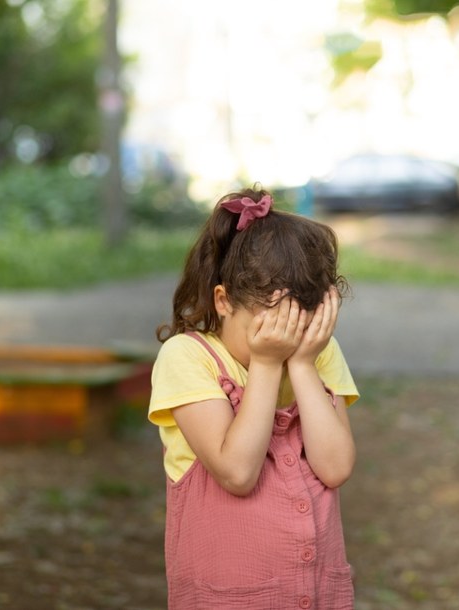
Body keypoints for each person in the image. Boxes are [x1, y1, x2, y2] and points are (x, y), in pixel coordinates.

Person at [148, 186, 359, 609]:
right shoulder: (188, 357)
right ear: (223, 302)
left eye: (299, 327)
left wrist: (300, 366)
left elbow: (334, 468)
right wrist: (266, 366)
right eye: (269, 329)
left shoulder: (316, 354)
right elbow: (237, 472)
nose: (285, 341)